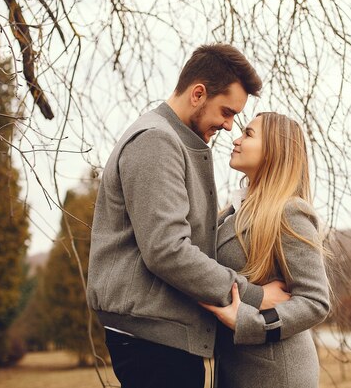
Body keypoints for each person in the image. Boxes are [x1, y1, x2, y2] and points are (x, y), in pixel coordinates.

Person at [86, 44, 291, 388]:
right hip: (152, 340)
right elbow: (168, 250)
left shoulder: (175, 141)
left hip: (162, 336)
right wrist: (253, 296)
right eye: (226, 112)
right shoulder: (156, 140)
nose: (229, 127)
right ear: (198, 93)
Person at [200, 112, 331, 388]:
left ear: (274, 149)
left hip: (277, 375)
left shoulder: (289, 212)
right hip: (236, 369)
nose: (236, 139)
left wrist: (248, 322)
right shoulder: (232, 212)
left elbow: (315, 301)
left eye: (248, 134)